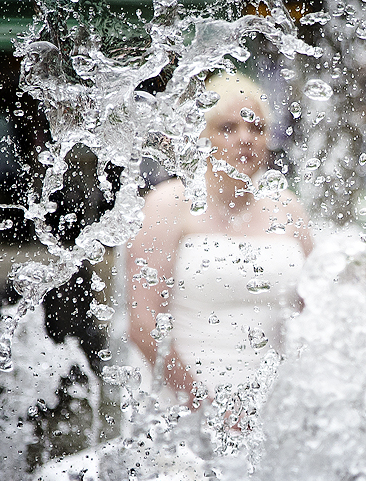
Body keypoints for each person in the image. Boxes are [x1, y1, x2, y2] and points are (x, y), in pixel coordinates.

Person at [129, 72, 313, 414]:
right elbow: (143, 323)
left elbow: (317, 311)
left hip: (275, 410)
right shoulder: (169, 204)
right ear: (202, 137)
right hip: (182, 408)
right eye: (228, 128)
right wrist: (207, 407)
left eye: (256, 128)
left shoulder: (287, 207)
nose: (245, 138)